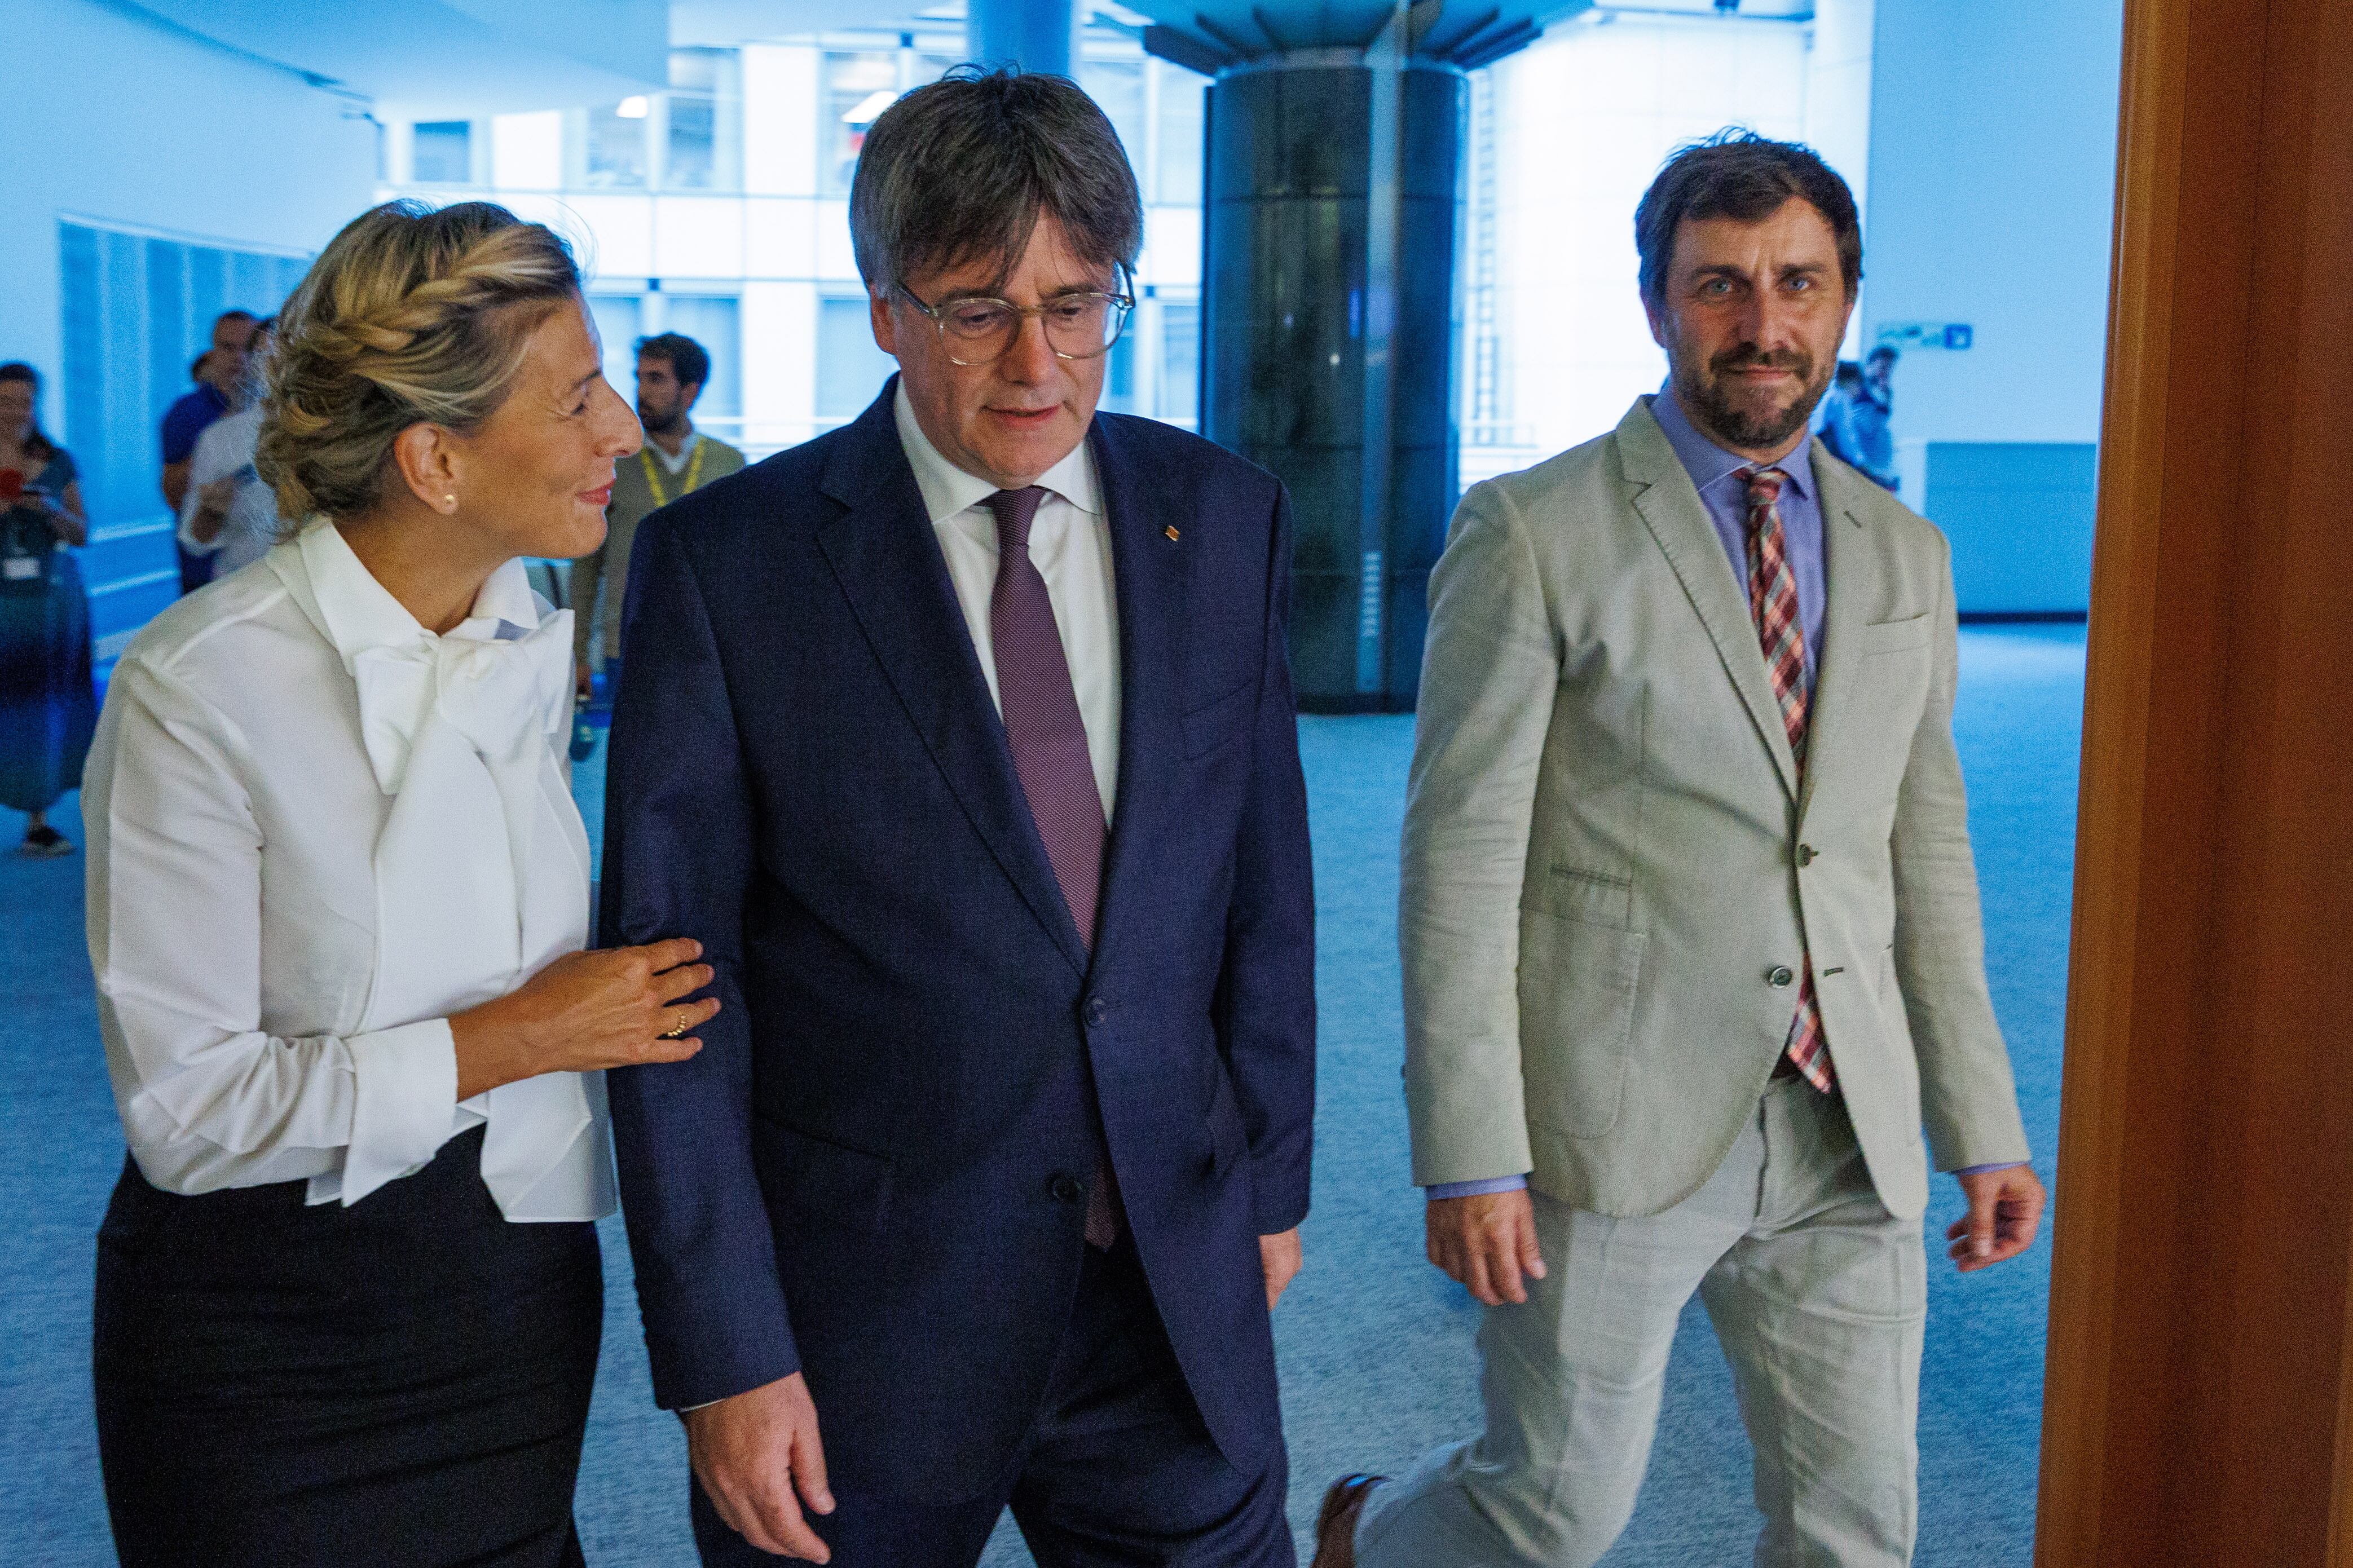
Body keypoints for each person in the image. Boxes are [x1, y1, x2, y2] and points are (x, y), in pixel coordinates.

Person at [601, 69, 1317, 1568]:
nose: (1037, 360)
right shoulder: (728, 568)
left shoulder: (1222, 514)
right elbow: (675, 997)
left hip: (1169, 1304)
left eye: (1077, 301)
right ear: (881, 306)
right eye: (976, 305)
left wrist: (1266, 1181)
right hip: (858, 1332)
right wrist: (724, 1347)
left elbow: (1260, 879)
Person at [1314, 131, 2046, 1567]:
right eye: (1721, 285)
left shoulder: (1907, 554)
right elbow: (1458, 861)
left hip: (1847, 1121)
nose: (1764, 325)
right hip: (1618, 1105)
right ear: (1657, 303)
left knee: (1857, 1535)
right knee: (1549, 1513)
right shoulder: (1532, 530)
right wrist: (1471, 1154)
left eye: (1798, 283)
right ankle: (1367, 1536)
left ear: (1843, 300)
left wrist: (1983, 1122)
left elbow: (1928, 855)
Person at [83, 200, 707, 1568]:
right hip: (264, 1345)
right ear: (434, 459)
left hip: (508, 1305)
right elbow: (189, 1113)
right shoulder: (196, 688)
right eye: (579, 394)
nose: (618, 428)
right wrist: (529, 1034)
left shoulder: (516, 633)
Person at [569, 330, 743, 706]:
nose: (641, 391)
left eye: (657, 379)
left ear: (690, 391)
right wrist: (577, 655)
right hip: (628, 645)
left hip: (709, 649)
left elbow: (744, 569)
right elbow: (586, 568)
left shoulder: (729, 464)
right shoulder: (612, 464)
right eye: (639, 377)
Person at [0, 362, 94, 857]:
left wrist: (49, 509)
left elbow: (83, 532)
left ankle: (38, 820)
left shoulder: (57, 460)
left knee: (38, 707)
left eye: (25, 401)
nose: (17, 411)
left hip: (48, 604)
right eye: (7, 401)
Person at [176, 317, 282, 580]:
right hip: (243, 592)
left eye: (288, 355)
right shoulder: (220, 439)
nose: (277, 366)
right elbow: (194, 540)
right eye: (265, 355)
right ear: (253, 364)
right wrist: (211, 512)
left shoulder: (336, 437)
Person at [161, 310, 258, 594]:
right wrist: (222, 445)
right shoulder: (186, 414)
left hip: (262, 564)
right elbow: (173, 497)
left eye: (248, 348)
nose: (239, 358)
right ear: (213, 352)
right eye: (229, 348)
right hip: (203, 565)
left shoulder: (279, 415)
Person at [1847, 343, 1901, 491]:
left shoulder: (1883, 391)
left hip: (1878, 463)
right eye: (1883, 367)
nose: (1886, 372)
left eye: (1890, 368)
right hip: (1863, 462)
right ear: (1870, 365)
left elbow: (1881, 419)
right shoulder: (1858, 389)